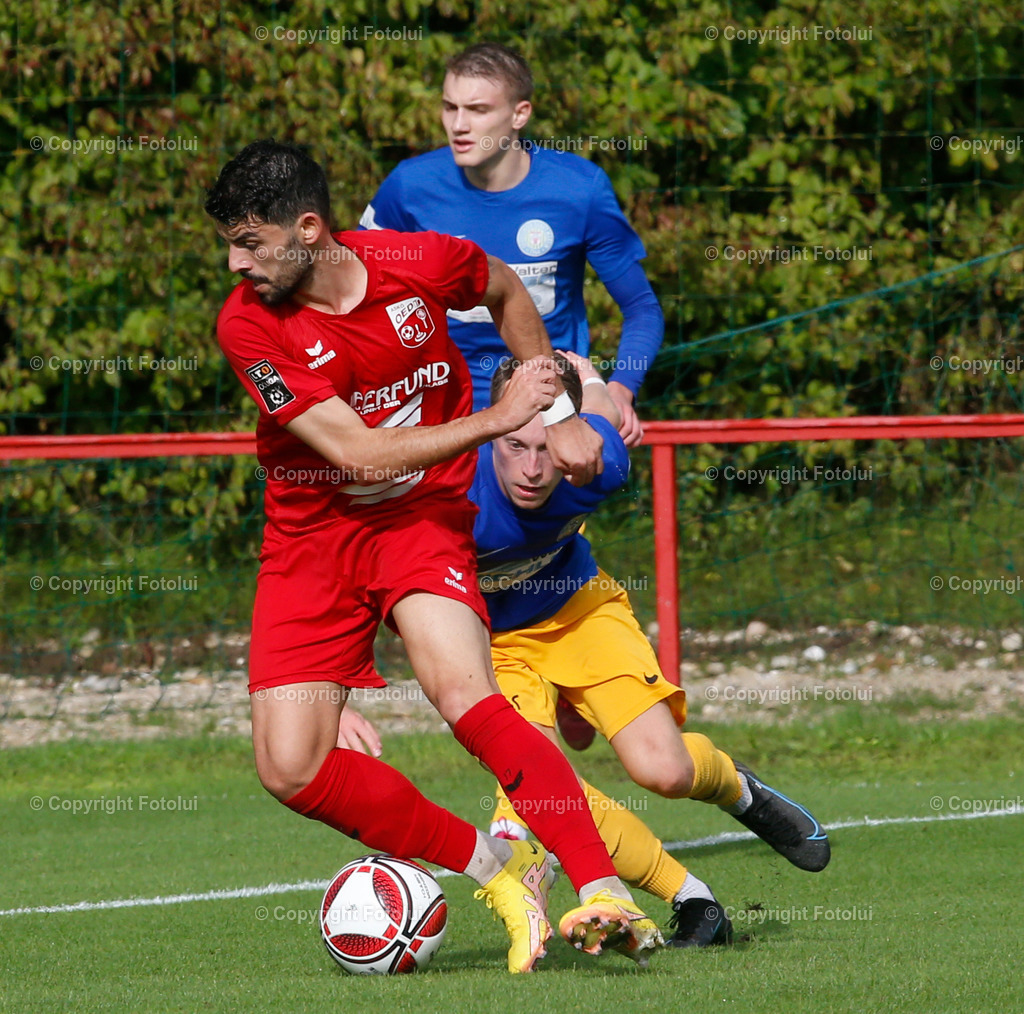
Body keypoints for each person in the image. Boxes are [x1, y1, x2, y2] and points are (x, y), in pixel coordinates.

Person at [204, 140, 662, 974]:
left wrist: (554, 407)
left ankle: (605, 891)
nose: (236, 264)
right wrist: (501, 419)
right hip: (312, 541)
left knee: (466, 693)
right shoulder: (247, 324)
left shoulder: (415, 261)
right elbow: (358, 454)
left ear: (307, 229)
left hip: (418, 519)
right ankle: (501, 870)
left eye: (248, 241)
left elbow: (503, 286)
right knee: (290, 766)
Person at [339, 352, 831, 948]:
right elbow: (358, 568)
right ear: (490, 426)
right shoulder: (448, 489)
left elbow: (601, 412)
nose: (532, 467)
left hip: (580, 609)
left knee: (663, 771)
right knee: (540, 792)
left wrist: (594, 380)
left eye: (548, 447)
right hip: (492, 644)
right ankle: (692, 899)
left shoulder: (598, 464)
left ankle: (738, 788)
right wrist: (336, 694)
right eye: (515, 445)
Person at [359, 41, 664, 448]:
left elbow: (642, 308)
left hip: (549, 416)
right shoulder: (409, 187)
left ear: (520, 114)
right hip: (439, 419)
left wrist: (621, 389)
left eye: (478, 110)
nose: (458, 125)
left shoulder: (578, 190)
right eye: (450, 107)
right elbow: (356, 298)